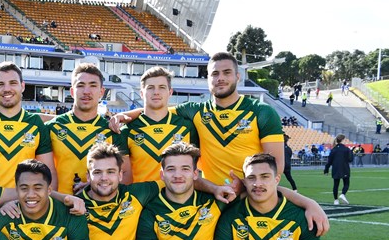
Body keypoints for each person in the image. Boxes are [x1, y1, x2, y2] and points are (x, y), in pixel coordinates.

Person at [112, 52, 284, 186]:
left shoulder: (262, 111)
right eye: (215, 74)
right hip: (211, 196)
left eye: (226, 73)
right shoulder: (196, 111)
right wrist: (124, 115)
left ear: (238, 77)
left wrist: (245, 186)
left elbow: (276, 166)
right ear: (208, 79)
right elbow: (156, 109)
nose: (220, 78)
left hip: (251, 194)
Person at [117, 66, 196, 184]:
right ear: (142, 93)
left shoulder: (187, 127)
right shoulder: (127, 131)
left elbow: (196, 170)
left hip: (178, 200)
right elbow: (125, 177)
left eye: (162, 87)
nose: (156, 92)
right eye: (150, 88)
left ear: (170, 92)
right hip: (141, 200)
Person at [46, 63, 115, 194]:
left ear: (101, 92)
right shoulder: (52, 128)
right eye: (80, 85)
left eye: (93, 85)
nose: (86, 91)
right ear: (72, 91)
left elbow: (121, 174)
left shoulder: (112, 131)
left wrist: (95, 185)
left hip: (97, 207)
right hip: (59, 206)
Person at [324, 134, 353, 205]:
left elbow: (329, 161)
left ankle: (336, 200)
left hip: (336, 168)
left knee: (336, 185)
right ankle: (343, 194)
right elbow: (350, 159)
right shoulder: (346, 149)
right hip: (344, 168)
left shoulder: (334, 149)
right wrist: (351, 152)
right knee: (346, 183)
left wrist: (326, 169)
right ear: (342, 140)